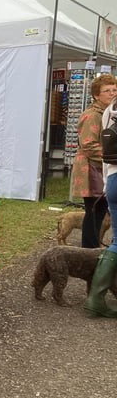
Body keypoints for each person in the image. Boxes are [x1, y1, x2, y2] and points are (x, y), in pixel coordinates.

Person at [71, 74, 117, 248]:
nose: (112, 93)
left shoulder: (109, 113)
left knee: (100, 210)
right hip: (90, 169)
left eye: (114, 89)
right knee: (93, 211)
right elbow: (88, 145)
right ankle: (89, 249)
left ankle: (93, 249)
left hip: (102, 167)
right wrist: (111, 157)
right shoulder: (92, 115)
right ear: (97, 95)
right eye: (107, 90)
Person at [85, 93, 117, 318]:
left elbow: (107, 154)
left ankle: (95, 298)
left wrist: (108, 182)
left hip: (114, 179)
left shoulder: (110, 111)